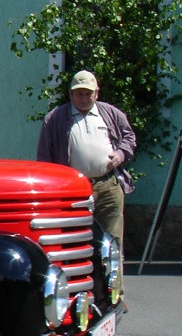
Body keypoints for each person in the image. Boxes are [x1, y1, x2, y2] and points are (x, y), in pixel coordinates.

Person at [36, 69, 136, 301]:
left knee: (112, 243)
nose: (83, 98)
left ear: (96, 94)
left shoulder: (111, 114)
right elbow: (44, 159)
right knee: (76, 242)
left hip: (108, 185)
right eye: (78, 94)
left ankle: (114, 295)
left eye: (88, 94)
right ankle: (79, 295)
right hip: (74, 192)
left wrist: (120, 155)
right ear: (71, 94)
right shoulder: (55, 119)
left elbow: (129, 138)